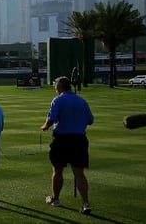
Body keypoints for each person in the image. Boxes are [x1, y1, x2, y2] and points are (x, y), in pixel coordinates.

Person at [41, 76, 94, 214]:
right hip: (79, 139)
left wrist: (45, 126)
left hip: (62, 140)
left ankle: (55, 198)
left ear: (59, 87)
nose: (55, 89)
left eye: (55, 86)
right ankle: (86, 203)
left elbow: (51, 118)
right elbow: (90, 120)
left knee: (57, 171)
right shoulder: (81, 100)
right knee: (79, 173)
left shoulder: (58, 100)